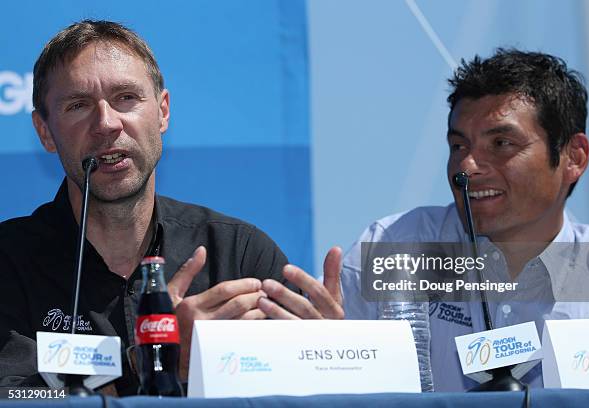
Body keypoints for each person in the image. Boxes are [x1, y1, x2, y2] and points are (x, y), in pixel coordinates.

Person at [0, 20, 343, 395]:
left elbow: (291, 393)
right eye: (78, 105)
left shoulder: (237, 255)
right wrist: (149, 359)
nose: (106, 123)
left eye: (126, 98)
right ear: (45, 131)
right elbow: (13, 395)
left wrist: (325, 361)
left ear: (163, 111)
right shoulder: (8, 261)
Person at [341, 48, 589, 391]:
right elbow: (319, 357)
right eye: (458, 146)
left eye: (501, 143)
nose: (466, 167)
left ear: (574, 156)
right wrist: (319, 345)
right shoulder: (397, 246)